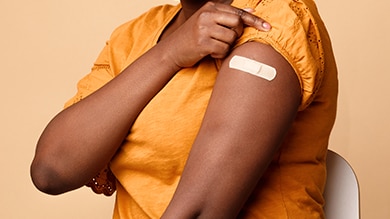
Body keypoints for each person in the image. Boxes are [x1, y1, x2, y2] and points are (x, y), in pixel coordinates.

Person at [30, 0, 338, 218]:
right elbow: (52, 170)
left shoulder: (272, 23)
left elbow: (200, 213)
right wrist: (170, 53)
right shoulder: (136, 35)